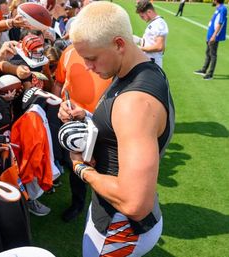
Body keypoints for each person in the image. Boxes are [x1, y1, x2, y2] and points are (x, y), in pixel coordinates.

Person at [58, 2, 175, 256]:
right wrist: (88, 116)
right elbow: (121, 127)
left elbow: (135, 203)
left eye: (91, 58)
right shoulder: (140, 68)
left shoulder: (134, 104)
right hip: (117, 217)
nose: (87, 66)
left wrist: (80, 168)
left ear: (119, 44)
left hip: (119, 229)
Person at [52, 43, 111, 222]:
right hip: (74, 122)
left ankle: (107, 206)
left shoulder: (111, 54)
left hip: (104, 124)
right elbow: (59, 82)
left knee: (106, 166)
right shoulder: (69, 51)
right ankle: (77, 204)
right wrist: (58, 107)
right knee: (75, 166)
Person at [194, 0, 227, 80]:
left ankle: (210, 74)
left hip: (214, 36)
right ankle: (204, 70)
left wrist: (214, 36)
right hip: (210, 35)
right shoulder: (218, 8)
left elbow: (220, 23)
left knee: (213, 54)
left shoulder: (223, 9)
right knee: (208, 53)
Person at [135, 0, 168, 68]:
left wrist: (140, 49)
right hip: (149, 61)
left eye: (142, 16)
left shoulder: (159, 24)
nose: (142, 19)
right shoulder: (154, 22)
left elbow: (159, 47)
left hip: (153, 63)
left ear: (149, 12)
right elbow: (151, 41)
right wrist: (140, 40)